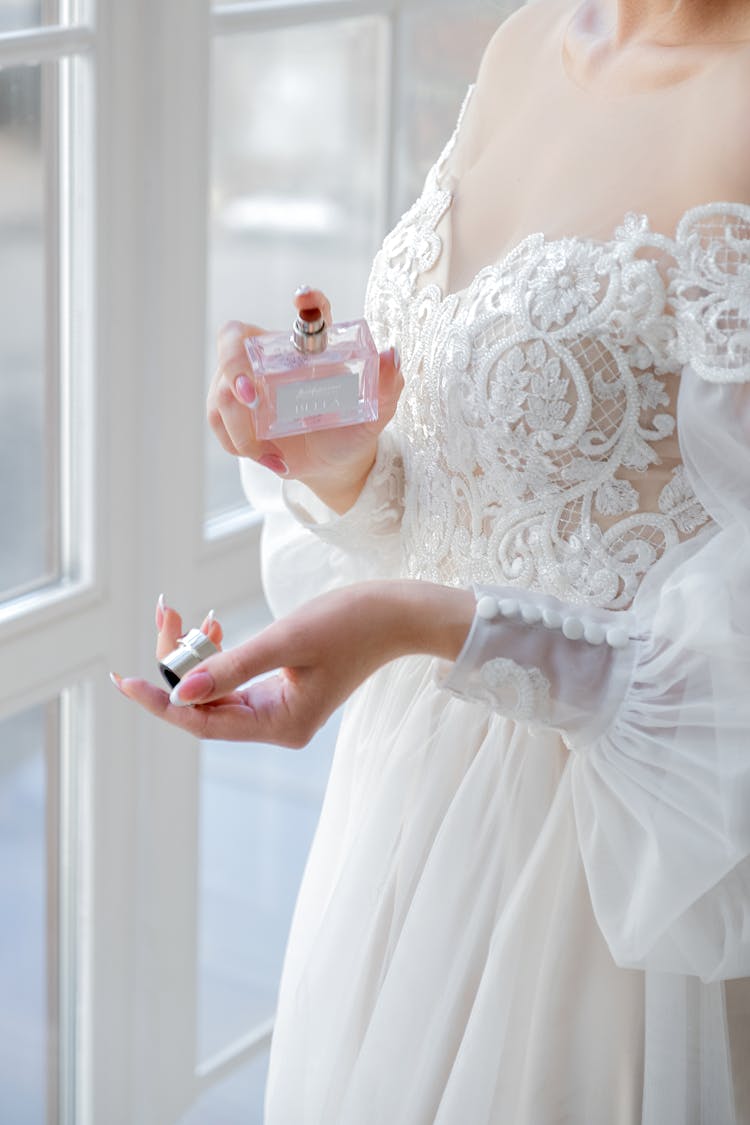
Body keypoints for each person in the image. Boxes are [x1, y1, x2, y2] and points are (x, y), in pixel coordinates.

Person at [113, 0, 750, 1119]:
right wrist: (344, 464)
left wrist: (421, 625)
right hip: (409, 803)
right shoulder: (523, 44)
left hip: (604, 876)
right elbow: (462, 484)